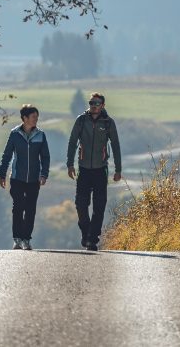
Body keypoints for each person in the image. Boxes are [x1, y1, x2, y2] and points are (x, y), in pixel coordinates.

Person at [66, 92, 121, 251]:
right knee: (80, 204)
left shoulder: (108, 123)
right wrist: (70, 164)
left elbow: (116, 145)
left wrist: (118, 169)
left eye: (97, 103)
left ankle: (93, 239)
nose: (93, 106)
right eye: (91, 103)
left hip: (100, 170)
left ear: (103, 105)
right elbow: (72, 142)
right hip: (83, 169)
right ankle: (86, 233)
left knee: (99, 206)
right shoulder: (81, 120)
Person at [0, 104, 50, 250]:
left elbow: (45, 157)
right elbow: (7, 155)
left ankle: (26, 239)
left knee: (30, 209)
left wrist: (44, 174)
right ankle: (17, 238)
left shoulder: (41, 135)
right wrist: (2, 174)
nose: (36, 120)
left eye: (37, 117)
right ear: (24, 118)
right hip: (17, 178)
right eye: (33, 117)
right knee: (18, 208)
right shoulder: (14, 134)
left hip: (34, 180)